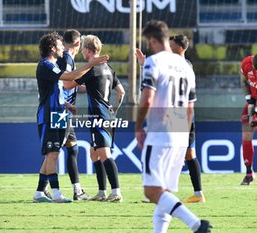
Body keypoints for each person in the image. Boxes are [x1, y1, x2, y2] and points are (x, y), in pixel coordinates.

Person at [135, 20, 212, 232]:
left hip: (160, 131)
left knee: (151, 192)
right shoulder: (186, 67)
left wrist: (138, 126)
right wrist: (184, 135)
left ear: (151, 39)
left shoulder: (153, 61)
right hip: (180, 132)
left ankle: (195, 224)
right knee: (164, 191)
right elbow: (190, 108)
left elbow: (147, 99)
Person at [33, 32, 108, 203]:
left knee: (54, 153)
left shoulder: (52, 65)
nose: (63, 48)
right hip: (49, 114)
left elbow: (57, 89)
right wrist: (91, 64)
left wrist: (67, 105)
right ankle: (57, 193)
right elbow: (70, 78)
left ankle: (39, 192)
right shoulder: (46, 65)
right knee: (52, 153)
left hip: (58, 112)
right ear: (52, 48)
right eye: (59, 45)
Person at [64, 35, 125, 202]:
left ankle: (116, 192)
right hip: (107, 115)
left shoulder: (91, 69)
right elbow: (121, 91)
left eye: (83, 48)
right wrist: (114, 109)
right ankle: (102, 192)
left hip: (99, 116)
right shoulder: (108, 68)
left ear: (88, 50)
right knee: (94, 154)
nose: (82, 51)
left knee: (104, 154)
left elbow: (68, 85)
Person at [169, 34, 205, 203]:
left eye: (172, 46)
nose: (169, 48)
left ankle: (161, 194)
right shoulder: (187, 64)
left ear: (180, 48)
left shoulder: (178, 65)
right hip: (184, 112)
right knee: (189, 153)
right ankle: (198, 194)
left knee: (171, 152)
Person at [56, 29, 89, 201]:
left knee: (71, 149)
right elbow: (65, 83)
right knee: (54, 151)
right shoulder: (67, 58)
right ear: (77, 44)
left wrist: (91, 86)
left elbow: (71, 84)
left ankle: (77, 190)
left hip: (63, 111)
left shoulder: (65, 58)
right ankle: (43, 189)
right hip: (61, 111)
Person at [240, 54, 257, 185]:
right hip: (253, 101)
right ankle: (249, 173)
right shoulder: (246, 63)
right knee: (246, 136)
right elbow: (244, 80)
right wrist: (249, 100)